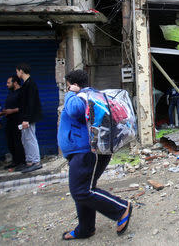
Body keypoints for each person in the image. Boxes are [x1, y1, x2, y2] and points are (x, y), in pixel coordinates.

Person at [58, 70, 132, 240]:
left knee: (80, 191)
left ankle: (121, 208)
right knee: (84, 190)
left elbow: (73, 111)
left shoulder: (82, 96)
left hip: (86, 152)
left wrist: (71, 93)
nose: (66, 88)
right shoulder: (87, 96)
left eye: (67, 85)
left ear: (72, 84)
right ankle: (85, 229)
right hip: (84, 152)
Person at [16, 63, 43, 173]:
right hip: (25, 117)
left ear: (21, 71)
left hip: (29, 118)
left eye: (17, 71)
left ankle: (36, 161)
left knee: (30, 138)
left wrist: (26, 119)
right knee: (25, 139)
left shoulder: (30, 84)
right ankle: (30, 161)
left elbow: (31, 103)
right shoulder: (26, 84)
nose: (17, 74)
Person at [0, 75, 25, 170]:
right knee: (11, 142)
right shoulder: (11, 93)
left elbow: (24, 107)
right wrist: (3, 112)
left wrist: (12, 111)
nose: (6, 85)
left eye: (9, 82)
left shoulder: (21, 92)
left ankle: (21, 162)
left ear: (15, 83)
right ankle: (15, 161)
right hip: (10, 121)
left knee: (18, 142)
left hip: (18, 120)